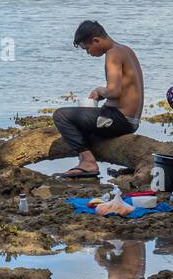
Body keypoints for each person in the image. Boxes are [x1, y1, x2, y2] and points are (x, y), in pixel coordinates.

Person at [53, 21, 144, 178]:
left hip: (120, 119)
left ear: (96, 40)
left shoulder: (112, 54)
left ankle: (88, 162)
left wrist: (99, 90)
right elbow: (123, 89)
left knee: (61, 115)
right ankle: (86, 157)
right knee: (83, 124)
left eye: (87, 48)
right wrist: (102, 96)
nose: (88, 53)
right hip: (130, 120)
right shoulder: (125, 50)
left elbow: (114, 92)